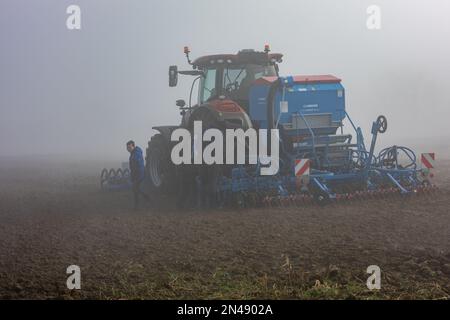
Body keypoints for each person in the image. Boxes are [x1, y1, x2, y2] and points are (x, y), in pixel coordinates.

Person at [126, 140, 150, 210]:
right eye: (127, 148)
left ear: (133, 146)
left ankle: (137, 206)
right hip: (136, 175)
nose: (128, 149)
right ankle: (147, 199)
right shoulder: (133, 153)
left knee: (135, 190)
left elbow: (139, 166)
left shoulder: (136, 154)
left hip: (139, 175)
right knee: (137, 189)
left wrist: (136, 176)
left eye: (129, 147)